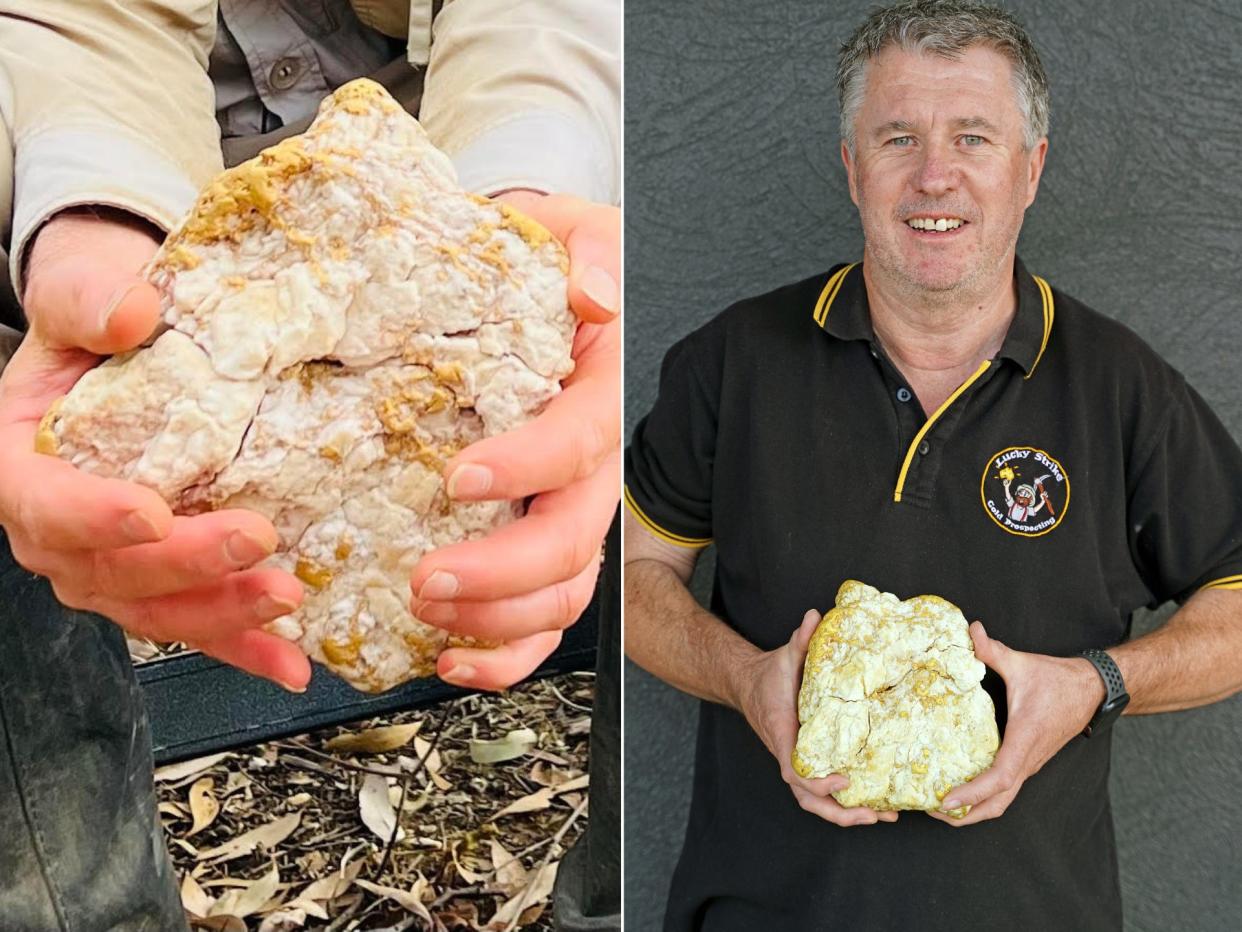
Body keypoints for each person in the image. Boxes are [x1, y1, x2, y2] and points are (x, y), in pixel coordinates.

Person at [0, 2, 620, 929]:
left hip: (458, 134)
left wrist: (522, 208)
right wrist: (91, 216)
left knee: (634, 331)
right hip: (66, 131)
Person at [624, 1, 1242, 929]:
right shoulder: (734, 361)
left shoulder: (1122, 388)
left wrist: (1095, 687)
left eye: (974, 138)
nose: (935, 177)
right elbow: (635, 577)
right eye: (898, 138)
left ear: (1031, 168)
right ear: (851, 167)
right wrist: (746, 678)